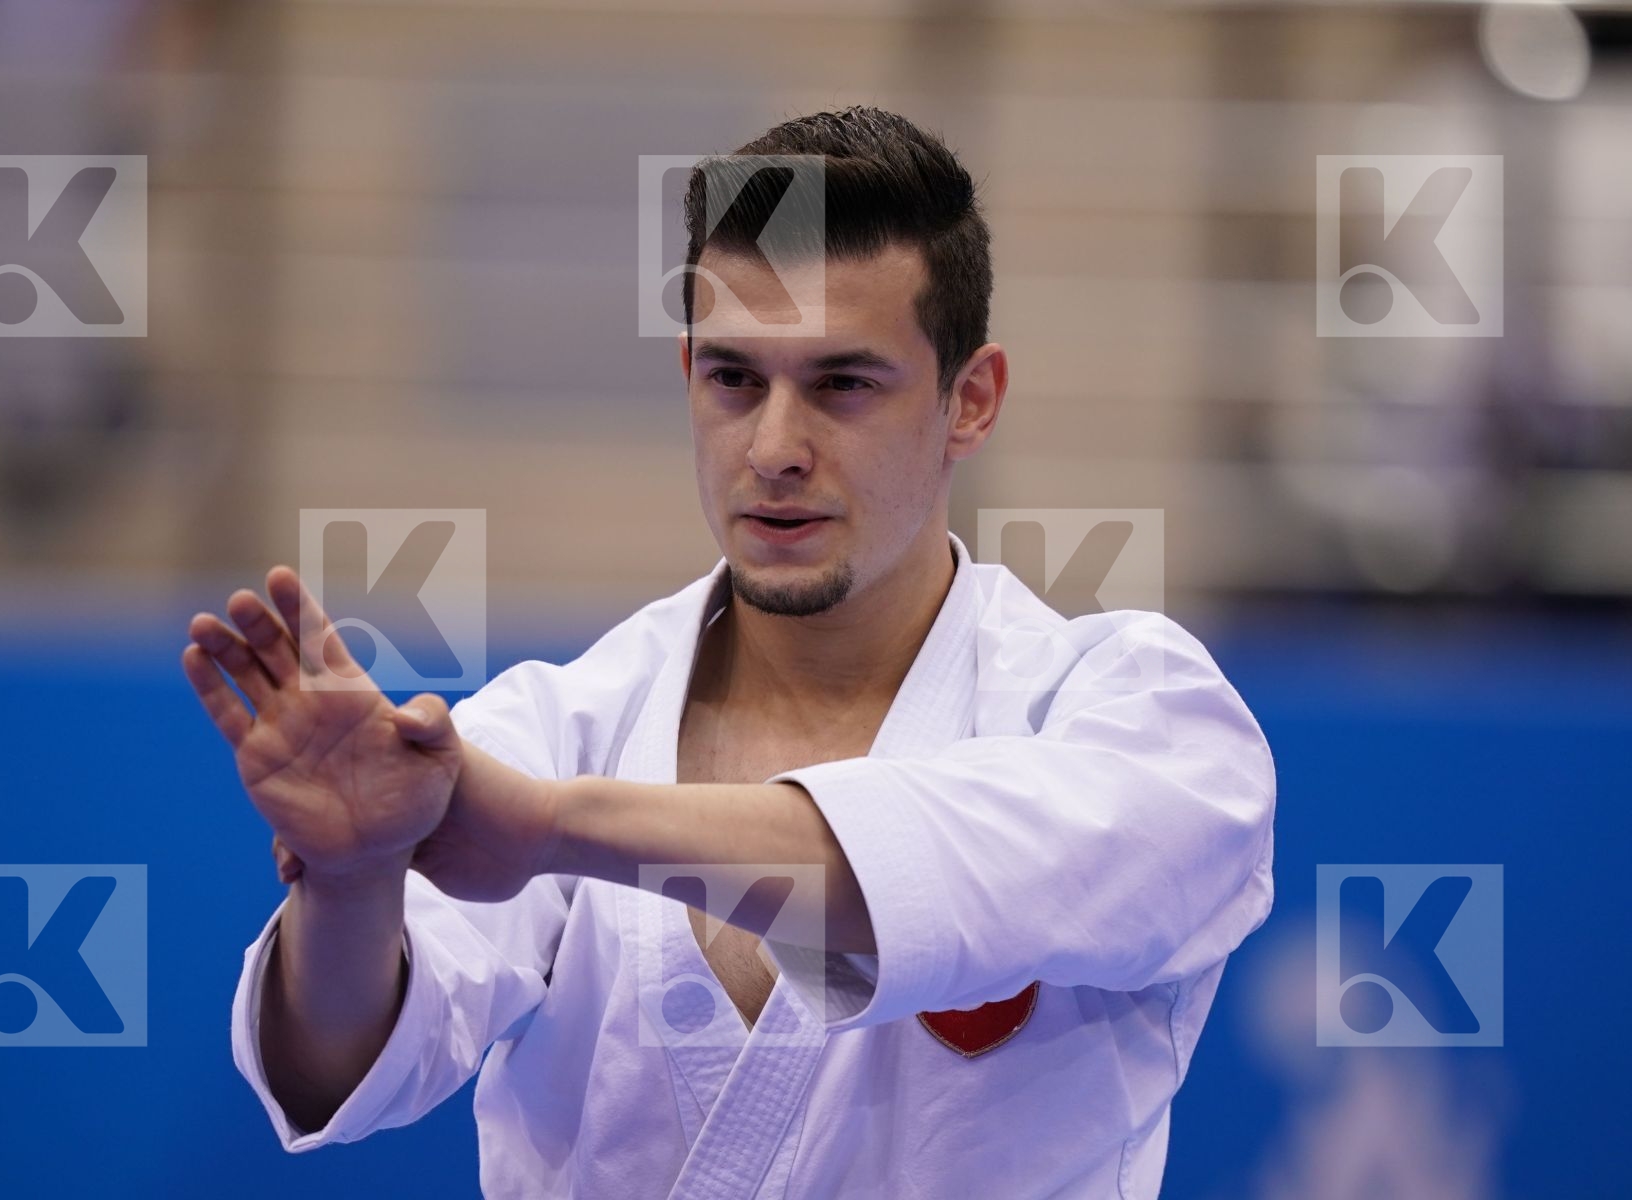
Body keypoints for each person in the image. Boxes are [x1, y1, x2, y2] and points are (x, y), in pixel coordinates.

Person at [182, 106, 1276, 1199]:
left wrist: (554, 826)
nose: (774, 448)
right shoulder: (563, 724)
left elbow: (927, 871)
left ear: (970, 399)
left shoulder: (1143, 719)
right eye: (735, 379)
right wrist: (352, 884)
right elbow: (339, 1065)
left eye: (844, 384)